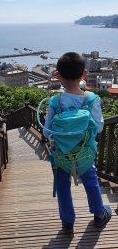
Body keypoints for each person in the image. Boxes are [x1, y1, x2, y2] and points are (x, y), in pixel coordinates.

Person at [43, 52, 111, 233]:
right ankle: (99, 215)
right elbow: (99, 127)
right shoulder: (91, 100)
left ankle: (67, 222)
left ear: (57, 75)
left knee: (63, 187)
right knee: (91, 183)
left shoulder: (55, 101)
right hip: (85, 154)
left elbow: (47, 130)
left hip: (61, 156)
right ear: (84, 73)